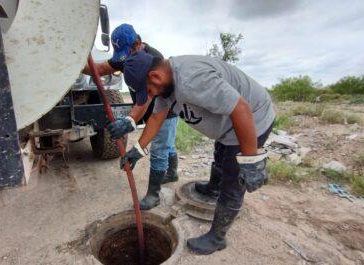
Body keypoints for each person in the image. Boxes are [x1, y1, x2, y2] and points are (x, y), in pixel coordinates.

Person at [119, 51, 275, 255]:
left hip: (252, 119)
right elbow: (156, 119)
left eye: (149, 91)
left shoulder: (192, 80)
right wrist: (137, 151)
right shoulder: (167, 86)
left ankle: (217, 237)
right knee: (220, 154)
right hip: (227, 127)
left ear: (155, 76)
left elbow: (241, 109)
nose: (152, 95)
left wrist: (251, 160)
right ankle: (213, 188)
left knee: (233, 178)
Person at [83, 24, 179, 210]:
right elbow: (101, 68)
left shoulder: (154, 58)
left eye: (128, 53)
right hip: (147, 105)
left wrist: (130, 120)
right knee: (167, 144)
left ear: (138, 43)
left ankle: (153, 195)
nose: (124, 60)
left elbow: (148, 97)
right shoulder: (125, 56)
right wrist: (77, 67)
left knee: (160, 148)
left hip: (165, 111)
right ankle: (173, 172)